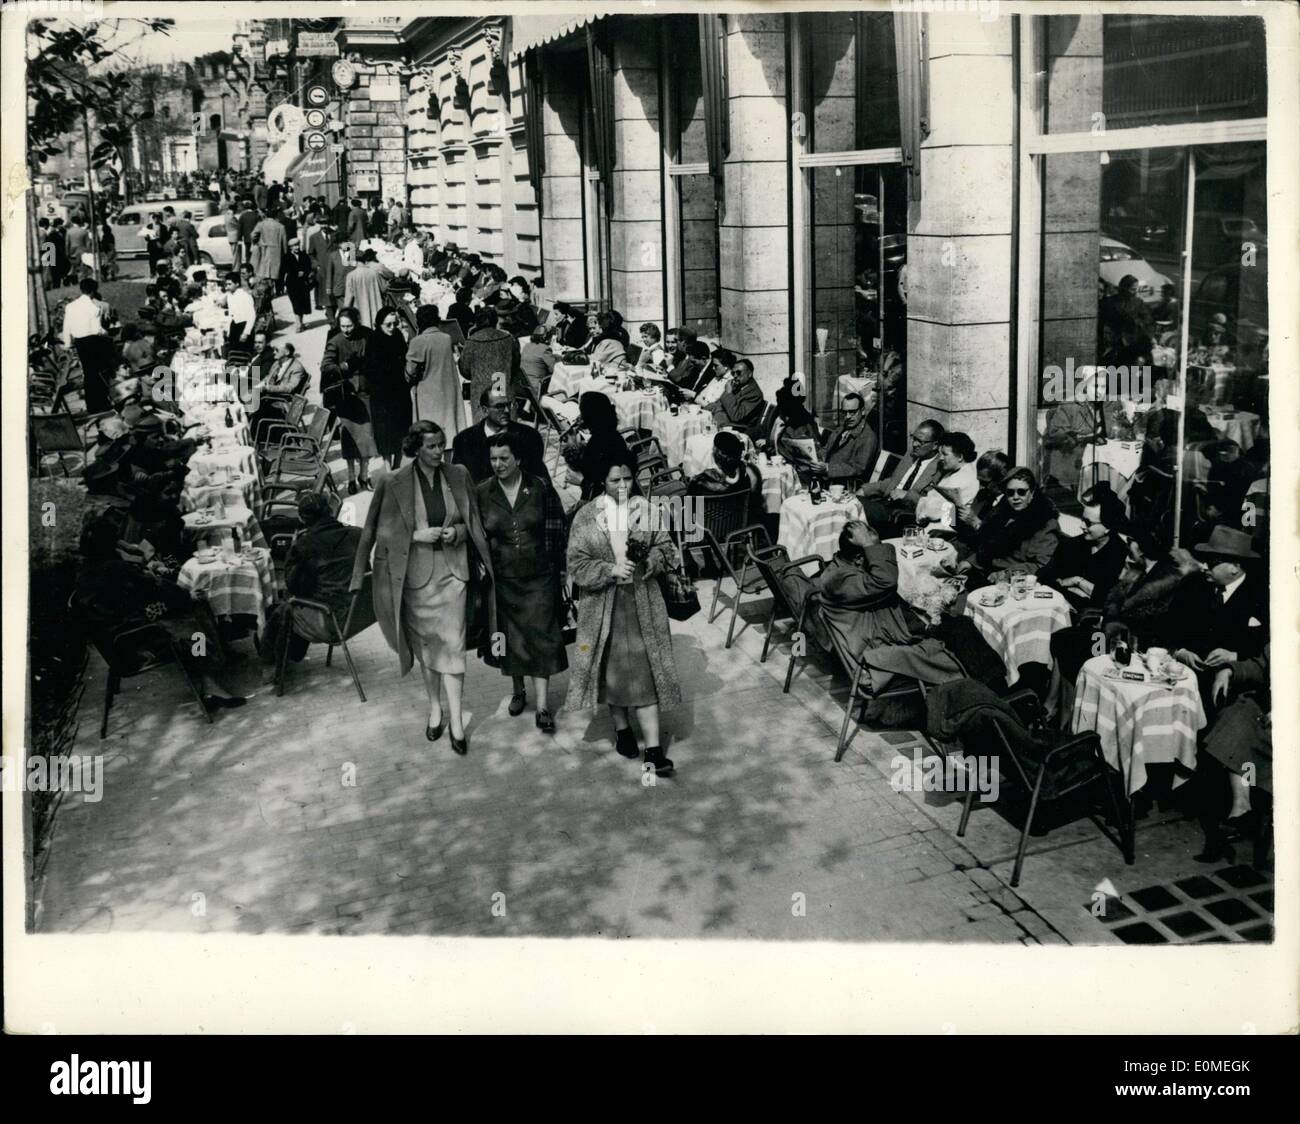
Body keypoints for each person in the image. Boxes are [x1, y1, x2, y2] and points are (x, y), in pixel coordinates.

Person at [350, 421, 495, 755]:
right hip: (415, 580)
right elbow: (374, 530)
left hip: (453, 575)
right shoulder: (393, 481)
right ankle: (435, 708)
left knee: (453, 647)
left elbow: (471, 521)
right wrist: (413, 537)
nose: (438, 451)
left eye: (441, 444)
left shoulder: (457, 473)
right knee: (428, 650)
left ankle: (456, 722)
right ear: (415, 448)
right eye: (431, 446)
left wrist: (456, 533)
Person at [566, 455, 682, 776]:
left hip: (643, 602)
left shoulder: (646, 510)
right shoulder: (587, 517)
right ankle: (622, 730)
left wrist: (654, 560)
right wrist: (610, 569)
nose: (622, 486)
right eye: (614, 480)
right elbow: (576, 565)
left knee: (646, 673)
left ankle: (654, 751)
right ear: (602, 481)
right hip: (605, 606)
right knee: (612, 672)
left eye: (627, 479)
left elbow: (666, 547)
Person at [72, 517, 247, 712]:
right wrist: (184, 594)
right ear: (109, 543)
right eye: (116, 538)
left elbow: (141, 588)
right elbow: (156, 590)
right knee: (194, 611)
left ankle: (217, 655)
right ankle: (209, 681)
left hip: (114, 636)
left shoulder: (88, 570)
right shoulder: (116, 569)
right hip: (136, 637)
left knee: (186, 603)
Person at [476, 431, 569, 731]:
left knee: (540, 636)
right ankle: (518, 692)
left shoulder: (539, 487)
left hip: (540, 576)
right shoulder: (483, 492)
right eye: (493, 459)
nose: (498, 464)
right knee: (511, 638)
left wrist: (561, 568)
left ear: (518, 458)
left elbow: (557, 528)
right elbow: (478, 536)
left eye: (504, 458)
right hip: (503, 580)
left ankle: (542, 705)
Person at [262, 492, 376, 677]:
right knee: (291, 606)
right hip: (360, 612)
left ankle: (273, 664)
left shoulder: (304, 545)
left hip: (330, 621)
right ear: (330, 511)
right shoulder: (358, 534)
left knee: (284, 609)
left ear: (302, 518)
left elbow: (294, 587)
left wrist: (294, 555)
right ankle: (287, 657)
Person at [1196, 644, 1271, 865]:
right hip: (1269, 711)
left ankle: (1243, 809)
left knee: (1253, 737)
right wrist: (1228, 670)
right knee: (1237, 716)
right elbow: (1261, 666)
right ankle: (1242, 805)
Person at [1168, 526, 1267, 675]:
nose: (1203, 566)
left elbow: (1268, 647)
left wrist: (1235, 655)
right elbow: (1168, 627)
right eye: (1204, 560)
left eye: (1212, 562)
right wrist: (1180, 652)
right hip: (1184, 674)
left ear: (1235, 567)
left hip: (1233, 682)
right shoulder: (1192, 585)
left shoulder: (1262, 597)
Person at [953, 466, 1061, 583]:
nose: (1015, 497)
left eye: (1021, 492)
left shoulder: (1044, 522)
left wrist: (1006, 574)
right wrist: (970, 562)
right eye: (1010, 493)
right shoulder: (1002, 515)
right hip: (987, 573)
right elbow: (989, 549)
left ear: (1032, 493)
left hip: (1017, 583)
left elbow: (1040, 565)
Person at [1036, 494, 1129, 611]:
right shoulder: (1071, 544)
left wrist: (1076, 581)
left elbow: (1107, 600)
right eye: (1082, 520)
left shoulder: (1121, 553)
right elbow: (1044, 577)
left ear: (1108, 527)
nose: (1081, 526)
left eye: (1088, 523)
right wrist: (1084, 591)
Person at [321, 308, 377, 493]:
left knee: (367, 438)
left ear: (357, 322)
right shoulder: (335, 341)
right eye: (343, 326)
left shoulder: (368, 335)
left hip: (367, 392)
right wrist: (345, 366)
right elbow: (326, 367)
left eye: (349, 325)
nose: (346, 330)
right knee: (349, 438)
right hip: (347, 396)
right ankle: (351, 477)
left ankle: (364, 475)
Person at [858, 418, 945, 533]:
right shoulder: (911, 455)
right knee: (851, 502)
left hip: (903, 515)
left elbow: (937, 507)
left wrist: (907, 495)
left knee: (855, 508)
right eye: (914, 438)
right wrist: (865, 490)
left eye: (920, 441)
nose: (914, 444)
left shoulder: (941, 468)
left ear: (935, 445)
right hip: (885, 503)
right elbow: (892, 481)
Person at [453, 385, 545, 484]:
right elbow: (458, 481)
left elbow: (540, 480)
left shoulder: (530, 436)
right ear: (485, 410)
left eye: (508, 405)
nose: (506, 410)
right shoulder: (463, 440)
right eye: (500, 406)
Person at [406, 304, 465, 441]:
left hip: (427, 395)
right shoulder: (446, 338)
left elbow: (410, 372)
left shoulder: (417, 342)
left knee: (429, 435)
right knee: (449, 431)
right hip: (447, 392)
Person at [562, 391, 633, 502]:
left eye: (582, 412)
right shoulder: (608, 436)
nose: (580, 417)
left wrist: (582, 481)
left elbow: (609, 487)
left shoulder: (599, 443)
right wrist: (573, 443)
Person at [364, 307, 412, 470]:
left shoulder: (397, 335)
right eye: (388, 325)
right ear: (379, 324)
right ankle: (387, 469)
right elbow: (370, 370)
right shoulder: (373, 339)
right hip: (382, 396)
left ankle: (397, 466)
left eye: (395, 324)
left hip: (400, 394)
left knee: (401, 431)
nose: (392, 328)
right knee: (385, 435)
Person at [62, 277, 115, 413]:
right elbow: (97, 329)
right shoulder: (94, 308)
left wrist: (68, 344)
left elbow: (66, 327)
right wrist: (108, 332)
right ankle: (100, 403)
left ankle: (91, 404)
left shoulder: (70, 306)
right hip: (93, 341)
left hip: (79, 342)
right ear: (93, 291)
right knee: (98, 373)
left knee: (88, 373)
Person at [460, 307, 519, 423]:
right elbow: (516, 365)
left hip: (480, 392)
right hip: (503, 387)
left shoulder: (471, 342)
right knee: (506, 425)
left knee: (483, 427)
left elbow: (465, 370)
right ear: (495, 320)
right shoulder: (508, 338)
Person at [914, 431, 979, 534]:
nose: (941, 458)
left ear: (960, 457)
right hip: (935, 526)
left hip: (945, 531)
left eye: (945, 454)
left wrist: (925, 504)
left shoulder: (967, 478)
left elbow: (934, 510)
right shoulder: (953, 472)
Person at [817, 391, 879, 485]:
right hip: (826, 480)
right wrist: (815, 458)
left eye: (852, 412)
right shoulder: (840, 429)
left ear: (862, 411)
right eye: (844, 412)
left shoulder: (868, 436)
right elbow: (826, 450)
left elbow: (858, 468)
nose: (847, 417)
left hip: (847, 486)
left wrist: (828, 468)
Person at [686, 430, 762, 504]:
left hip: (706, 516)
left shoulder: (700, 481)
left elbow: (689, 512)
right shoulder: (750, 474)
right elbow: (754, 504)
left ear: (715, 453)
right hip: (738, 516)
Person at [709, 357, 767, 439]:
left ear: (749, 374)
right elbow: (719, 403)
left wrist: (728, 393)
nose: (735, 376)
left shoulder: (755, 394)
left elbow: (736, 416)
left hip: (737, 428)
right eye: (733, 373)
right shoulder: (739, 386)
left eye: (739, 373)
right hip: (721, 420)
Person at [343, 248, 391, 329]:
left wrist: (344, 312)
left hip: (360, 311)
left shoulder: (351, 275)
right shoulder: (374, 273)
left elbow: (348, 298)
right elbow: (383, 289)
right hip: (375, 310)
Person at [319, 234, 350, 329]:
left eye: (347, 241)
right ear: (339, 244)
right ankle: (339, 326)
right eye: (344, 242)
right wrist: (328, 287)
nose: (346, 244)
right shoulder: (333, 256)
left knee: (349, 309)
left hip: (350, 286)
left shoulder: (353, 254)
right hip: (339, 287)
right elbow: (329, 273)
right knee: (344, 310)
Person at [223, 271, 257, 356]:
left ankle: (253, 369)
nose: (227, 287)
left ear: (237, 284)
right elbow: (231, 314)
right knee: (234, 354)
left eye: (229, 284)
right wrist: (228, 330)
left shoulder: (245, 296)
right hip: (234, 326)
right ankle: (235, 369)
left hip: (244, 326)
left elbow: (252, 316)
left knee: (246, 354)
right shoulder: (230, 296)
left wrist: (246, 332)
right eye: (226, 284)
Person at [284, 237, 314, 332]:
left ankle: (300, 323)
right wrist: (296, 273)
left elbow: (308, 267)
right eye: (294, 246)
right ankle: (298, 324)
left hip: (303, 284)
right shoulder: (286, 257)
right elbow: (285, 269)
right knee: (295, 303)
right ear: (290, 248)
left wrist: (304, 273)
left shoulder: (304, 255)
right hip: (292, 284)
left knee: (302, 304)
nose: (296, 247)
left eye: (297, 245)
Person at [519, 325, 557, 398]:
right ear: (546, 338)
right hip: (536, 387)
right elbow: (553, 370)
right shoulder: (545, 349)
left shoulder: (526, 346)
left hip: (523, 385)